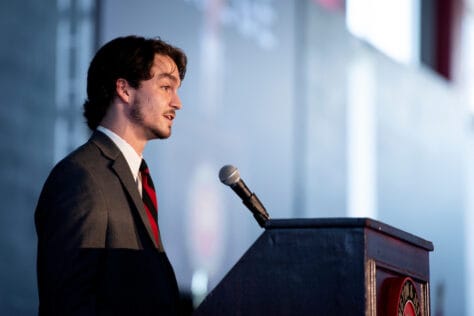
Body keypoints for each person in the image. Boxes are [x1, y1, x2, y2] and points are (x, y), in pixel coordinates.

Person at [35, 35, 187, 315]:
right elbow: (68, 303)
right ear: (124, 90)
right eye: (166, 87)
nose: (177, 103)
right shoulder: (82, 177)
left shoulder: (138, 177)